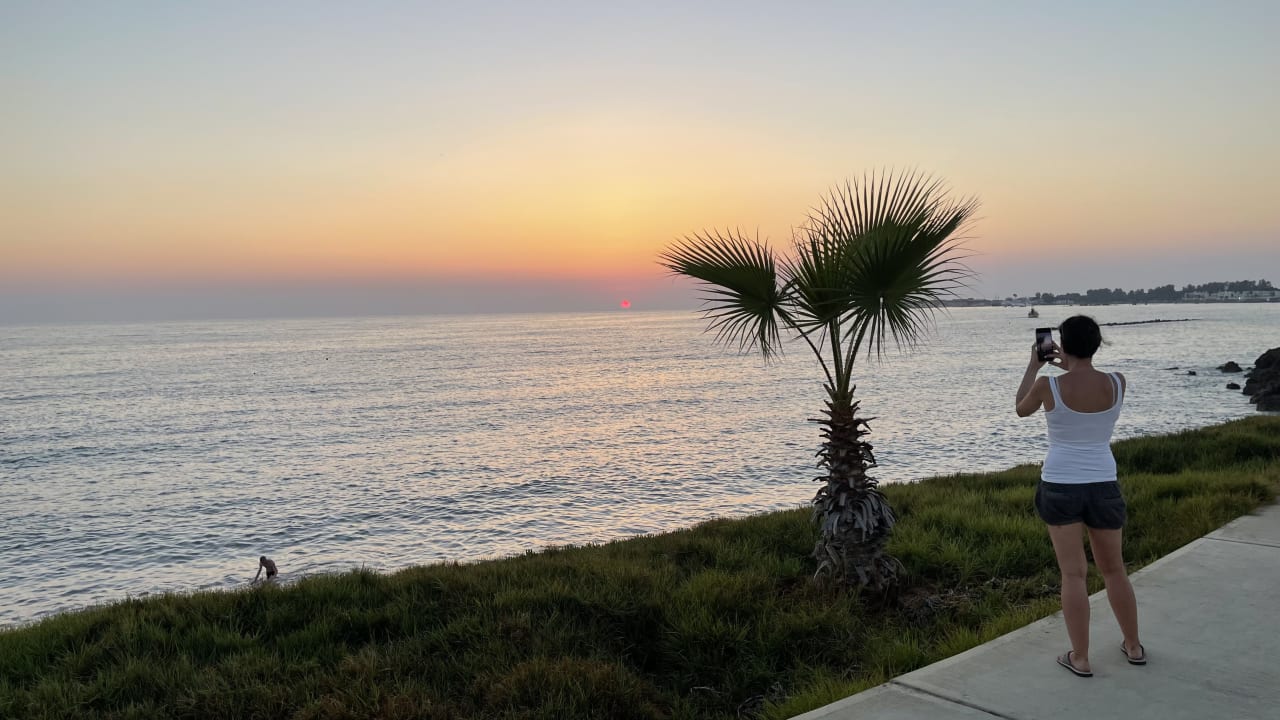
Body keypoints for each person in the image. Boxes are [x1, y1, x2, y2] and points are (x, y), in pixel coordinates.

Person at [1015, 315, 1145, 678]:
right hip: (1103, 482)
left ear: (1062, 343)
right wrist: (1071, 363)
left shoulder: (1047, 386)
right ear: (1097, 343)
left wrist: (1035, 364)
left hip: (1060, 484)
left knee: (1074, 574)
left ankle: (1081, 657)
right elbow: (1087, 377)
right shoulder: (1118, 383)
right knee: (1115, 569)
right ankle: (1133, 646)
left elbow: (1020, 408)